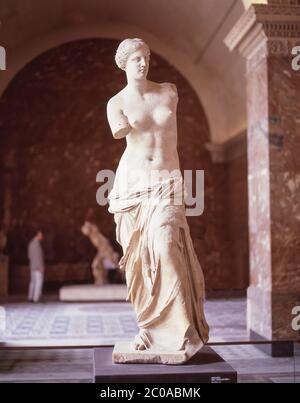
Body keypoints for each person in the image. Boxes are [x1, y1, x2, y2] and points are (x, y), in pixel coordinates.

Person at [106, 38, 209, 363]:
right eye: (135, 58)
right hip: (133, 185)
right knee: (141, 262)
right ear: (123, 63)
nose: (142, 63)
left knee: (166, 246)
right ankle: (149, 329)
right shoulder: (116, 103)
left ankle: (181, 332)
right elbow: (123, 135)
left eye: (146, 57)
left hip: (166, 183)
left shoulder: (168, 91)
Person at [27, 230, 45, 302]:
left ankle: (30, 297)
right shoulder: (37, 245)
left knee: (32, 282)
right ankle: (36, 298)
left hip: (32, 266)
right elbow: (39, 257)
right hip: (37, 267)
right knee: (38, 282)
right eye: (40, 235)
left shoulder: (30, 244)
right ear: (37, 235)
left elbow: (29, 256)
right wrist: (40, 267)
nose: (42, 237)